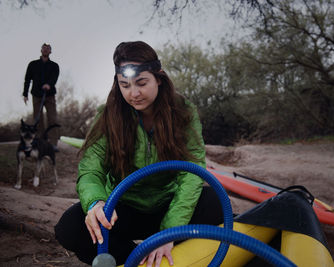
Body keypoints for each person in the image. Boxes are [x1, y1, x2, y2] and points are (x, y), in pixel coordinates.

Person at [54, 41, 223, 267]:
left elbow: (192, 171)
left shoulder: (183, 110)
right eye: (125, 85)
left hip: (168, 204)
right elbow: (91, 169)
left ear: (158, 79)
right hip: (123, 207)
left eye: (141, 83)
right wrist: (95, 203)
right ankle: (136, 258)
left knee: (214, 202)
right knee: (70, 227)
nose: (134, 93)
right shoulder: (107, 115)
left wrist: (168, 233)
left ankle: (172, 254)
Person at [23, 43, 60, 150]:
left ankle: (53, 143)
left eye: (48, 49)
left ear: (50, 52)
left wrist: (49, 84)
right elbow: (27, 79)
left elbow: (54, 77)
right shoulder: (33, 64)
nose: (45, 50)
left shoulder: (54, 65)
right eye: (44, 48)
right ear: (41, 50)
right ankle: (40, 142)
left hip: (50, 95)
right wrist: (25, 94)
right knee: (38, 120)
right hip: (36, 95)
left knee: (52, 119)